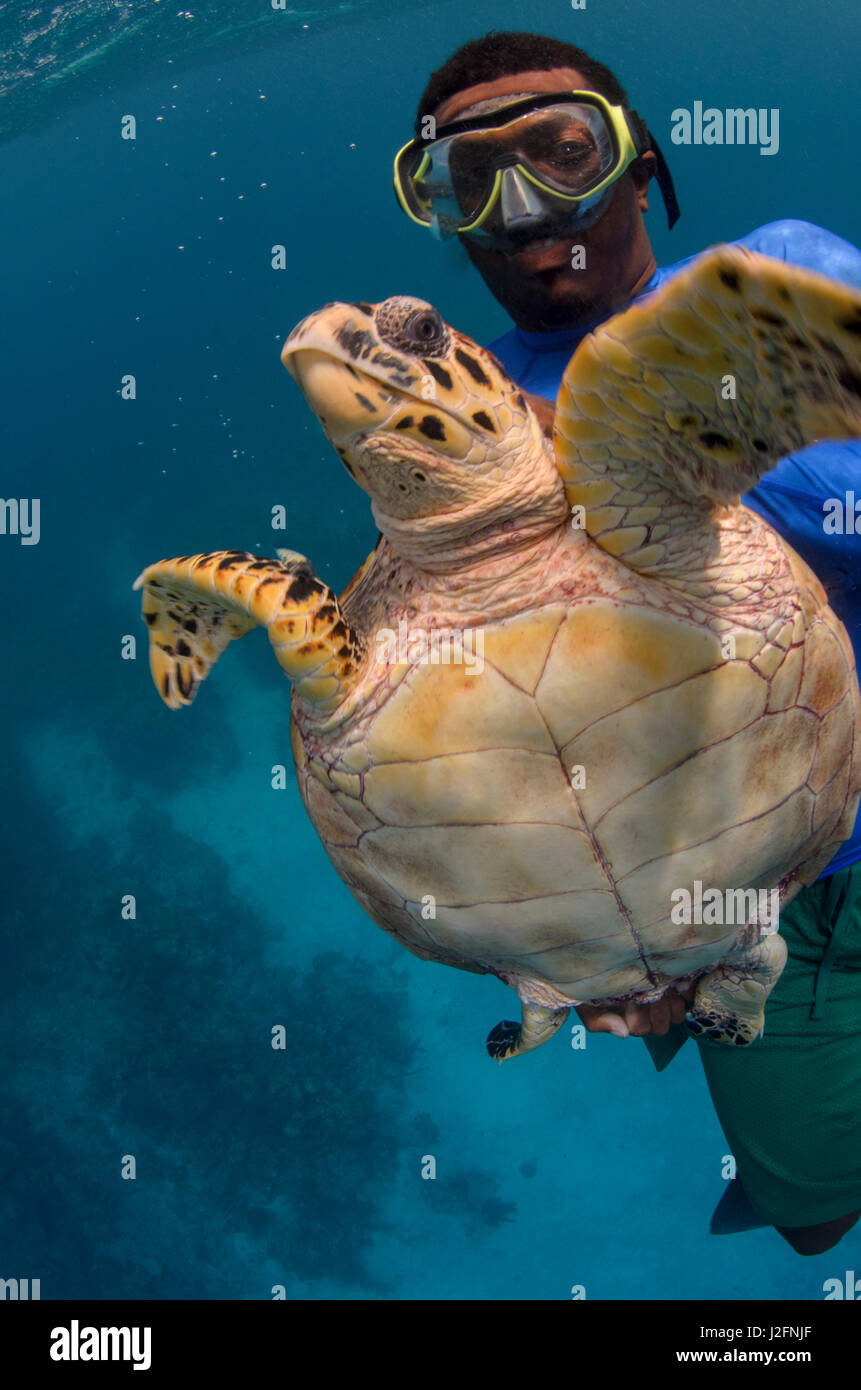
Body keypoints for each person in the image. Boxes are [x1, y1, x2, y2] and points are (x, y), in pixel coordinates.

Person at [393, 30, 861, 1255]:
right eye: (465, 183)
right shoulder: (459, 409)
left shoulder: (771, 283)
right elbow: (490, 719)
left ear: (641, 165)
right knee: (813, 1215)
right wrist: (585, 936)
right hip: (738, 903)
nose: (521, 208)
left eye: (559, 151)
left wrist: (654, 451)